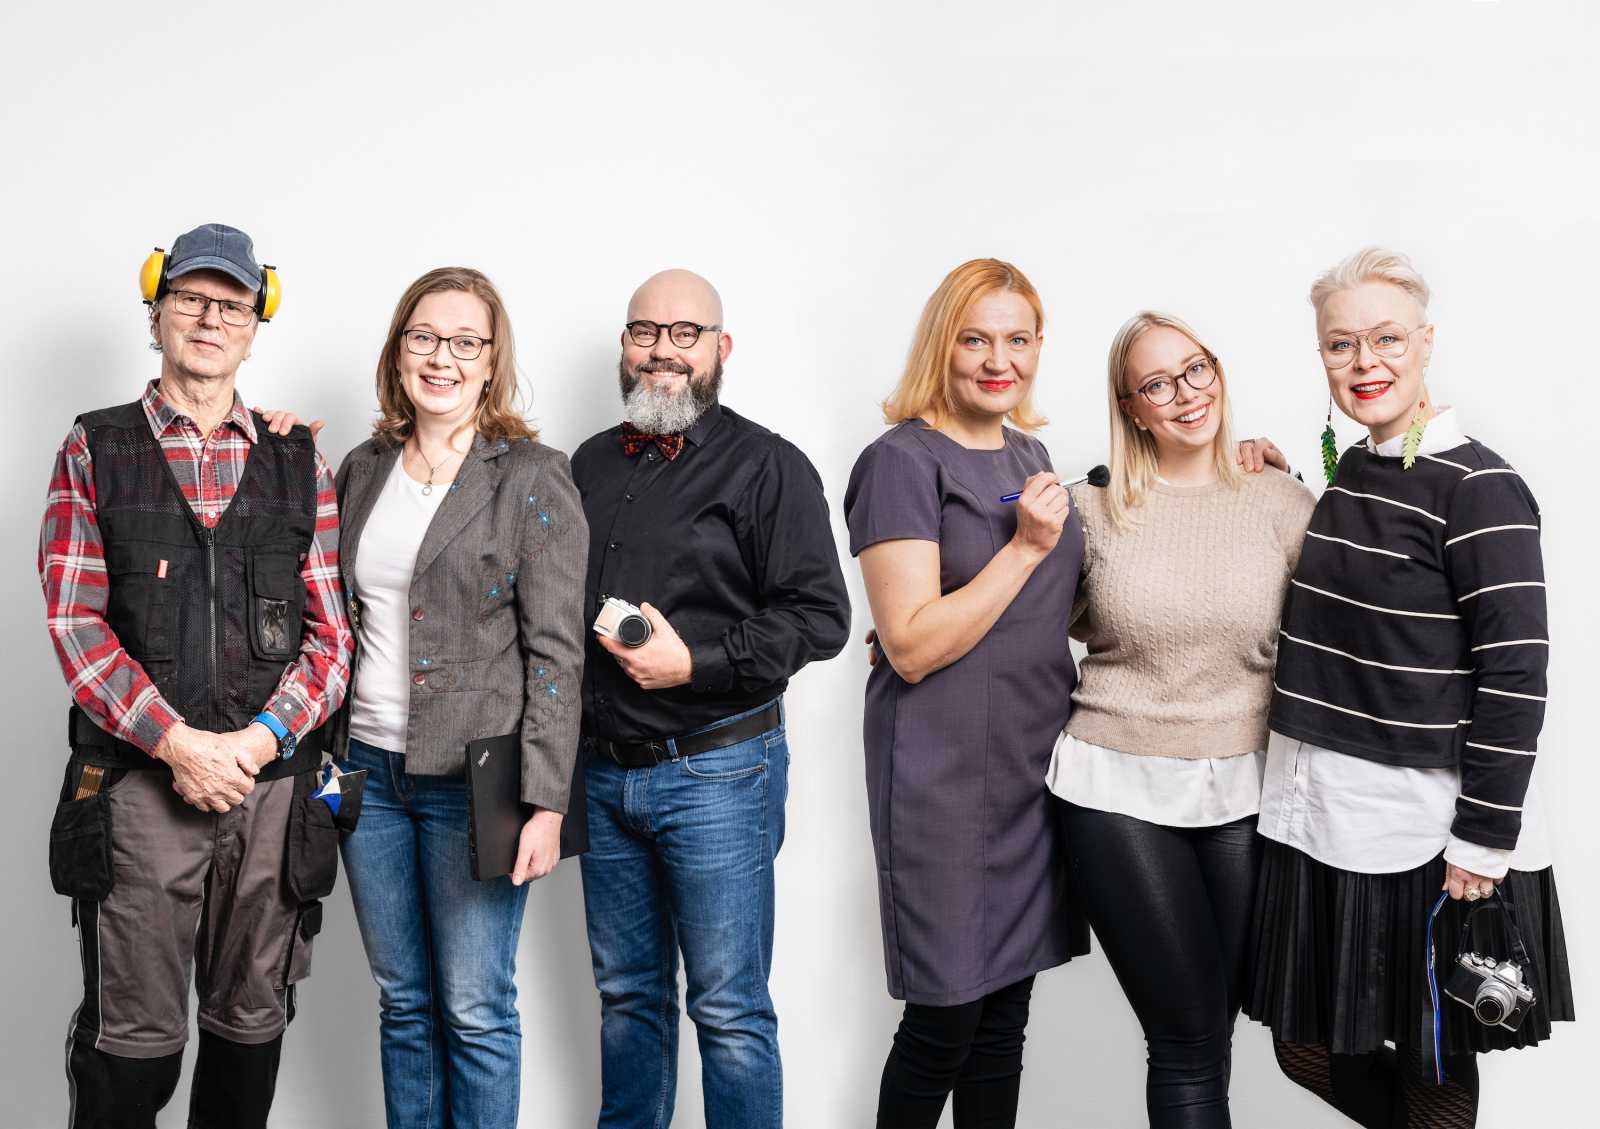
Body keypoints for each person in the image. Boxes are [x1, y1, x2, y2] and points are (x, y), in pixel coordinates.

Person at [1246, 248, 1573, 1127]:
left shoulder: (1483, 486)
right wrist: (1283, 481)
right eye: (1341, 344)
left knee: (1432, 1058)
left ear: (1426, 342)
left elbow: (1516, 672)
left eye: (1387, 338)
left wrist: (1483, 840)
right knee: (1304, 1044)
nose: (1365, 362)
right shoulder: (1360, 467)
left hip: (1429, 831)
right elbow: (1380, 588)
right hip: (1329, 812)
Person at [38, 222, 353, 1129]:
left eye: (233, 305)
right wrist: (178, 744)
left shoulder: (299, 461)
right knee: (130, 1050)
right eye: (191, 298)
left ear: (256, 325)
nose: (211, 319)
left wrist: (255, 744)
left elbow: (332, 638)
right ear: (156, 311)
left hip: (271, 794)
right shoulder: (94, 448)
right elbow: (77, 624)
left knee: (249, 1039)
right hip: (140, 790)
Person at [570, 268, 851, 1129]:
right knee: (628, 999)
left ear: (720, 348)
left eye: (684, 333)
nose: (662, 350)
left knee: (728, 1009)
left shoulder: (769, 465)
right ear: (624, 346)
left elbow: (822, 617)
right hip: (602, 776)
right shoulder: (585, 462)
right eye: (645, 331)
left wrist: (694, 662)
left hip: (718, 774)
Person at [327, 267, 588, 1129]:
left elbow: (557, 653)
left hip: (476, 784)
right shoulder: (361, 469)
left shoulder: (531, 477)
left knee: (475, 1007)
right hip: (366, 775)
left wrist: (547, 801)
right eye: (425, 337)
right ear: (399, 350)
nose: (442, 358)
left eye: (465, 342)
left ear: (491, 361)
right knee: (403, 1001)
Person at [1047, 311, 1312, 1128]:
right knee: (1186, 1037)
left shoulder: (1282, 499)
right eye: (1157, 384)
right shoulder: (1090, 507)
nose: (1186, 393)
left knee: (1216, 1028)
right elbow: (1020, 619)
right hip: (1113, 781)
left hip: (1246, 785)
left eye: (1197, 369)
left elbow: (1344, 623)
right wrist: (912, 629)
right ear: (1131, 407)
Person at [844, 258, 1090, 1129]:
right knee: (943, 1019)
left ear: (1039, 346)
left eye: (1018, 339)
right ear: (940, 345)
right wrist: (1022, 548)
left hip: (1032, 766)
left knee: (1003, 1016)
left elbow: (1052, 608)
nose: (999, 360)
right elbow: (911, 647)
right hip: (941, 777)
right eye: (976, 339)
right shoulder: (899, 461)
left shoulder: (1031, 456)